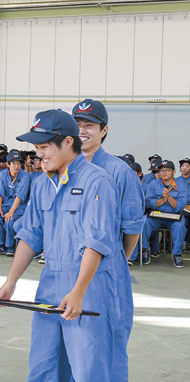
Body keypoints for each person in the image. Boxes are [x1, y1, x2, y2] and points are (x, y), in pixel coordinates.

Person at [0, 109, 119, 382]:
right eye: (36, 148)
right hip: (50, 281)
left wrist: (78, 291)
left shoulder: (96, 181)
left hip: (89, 285)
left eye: (44, 147)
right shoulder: (41, 184)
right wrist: (11, 281)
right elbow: (31, 235)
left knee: (89, 367)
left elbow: (95, 242)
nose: (39, 154)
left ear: (67, 142)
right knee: (44, 363)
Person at [72, 99, 145, 381]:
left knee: (108, 346)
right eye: (77, 125)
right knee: (74, 346)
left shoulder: (119, 173)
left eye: (89, 125)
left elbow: (131, 229)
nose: (82, 131)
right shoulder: (65, 170)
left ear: (103, 130)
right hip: (70, 267)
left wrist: (115, 262)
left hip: (107, 270)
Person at [142, 160, 187, 268]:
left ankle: (177, 254)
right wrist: (163, 199)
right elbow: (149, 202)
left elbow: (180, 206)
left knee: (180, 226)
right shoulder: (154, 184)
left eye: (167, 170)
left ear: (174, 172)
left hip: (174, 217)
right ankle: (145, 249)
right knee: (144, 222)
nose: (164, 173)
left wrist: (169, 197)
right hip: (157, 216)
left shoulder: (181, 185)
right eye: (162, 170)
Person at [0, 149, 31, 256]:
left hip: (19, 206)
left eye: (19, 163)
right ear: (8, 164)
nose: (16, 166)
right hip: (6, 205)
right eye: (14, 163)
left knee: (10, 219)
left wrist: (11, 211)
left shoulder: (25, 176)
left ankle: (10, 247)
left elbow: (20, 196)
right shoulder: (2, 175)